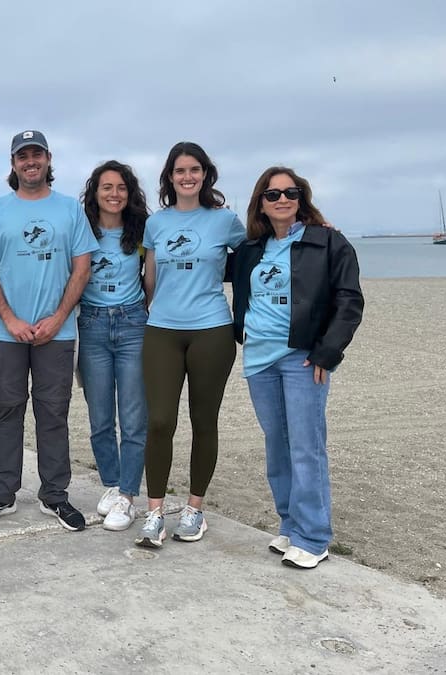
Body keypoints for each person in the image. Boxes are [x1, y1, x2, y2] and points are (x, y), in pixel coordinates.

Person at [232, 166, 363, 569]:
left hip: (301, 357)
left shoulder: (328, 241)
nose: (282, 199)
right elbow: (205, 262)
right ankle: (290, 524)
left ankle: (314, 536)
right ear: (261, 203)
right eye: (273, 194)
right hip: (259, 359)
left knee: (306, 446)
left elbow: (349, 300)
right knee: (278, 445)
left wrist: (327, 352)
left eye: (291, 193)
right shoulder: (251, 249)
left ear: (301, 198)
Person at [0, 130, 98, 530]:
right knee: (7, 410)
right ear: (13, 163)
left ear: (48, 159)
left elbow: (82, 268)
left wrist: (58, 317)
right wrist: (9, 318)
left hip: (56, 333)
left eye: (36, 154)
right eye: (22, 156)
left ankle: (55, 495)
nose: (30, 161)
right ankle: (2, 493)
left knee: (53, 412)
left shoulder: (70, 209)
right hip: (6, 333)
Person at [135, 141, 246, 549]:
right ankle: (155, 513)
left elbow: (261, 251)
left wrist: (316, 228)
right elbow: (149, 276)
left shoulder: (225, 220)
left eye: (194, 170)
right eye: (180, 170)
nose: (187, 177)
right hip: (162, 329)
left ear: (205, 174)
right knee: (160, 421)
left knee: (204, 420)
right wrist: (153, 309)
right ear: (170, 177)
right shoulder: (156, 224)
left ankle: (195, 509)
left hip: (212, 330)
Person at [77, 160, 151, 531]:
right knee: (100, 418)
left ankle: (128, 495)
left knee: (134, 417)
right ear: (95, 193)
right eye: (107, 187)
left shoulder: (141, 230)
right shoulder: (81, 230)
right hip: (91, 325)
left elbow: (153, 276)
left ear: (130, 192)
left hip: (133, 323)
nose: (114, 194)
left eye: (121, 187)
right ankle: (112, 483)